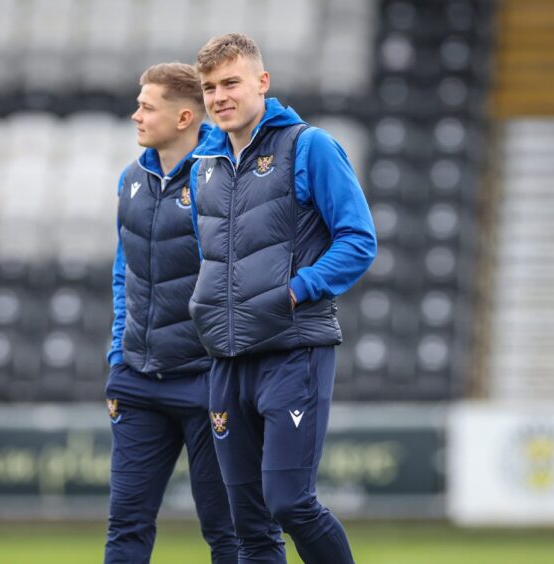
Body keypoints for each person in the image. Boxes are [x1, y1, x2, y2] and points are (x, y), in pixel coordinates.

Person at [188, 34, 377, 564]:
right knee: (248, 524)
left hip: (292, 350)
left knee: (290, 502)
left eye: (230, 83)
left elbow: (359, 239)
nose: (219, 96)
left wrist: (296, 291)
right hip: (226, 359)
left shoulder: (308, 146)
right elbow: (211, 259)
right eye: (209, 88)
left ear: (262, 83)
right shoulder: (205, 163)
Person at [105, 62, 237, 564]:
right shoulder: (130, 177)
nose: (135, 114)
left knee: (226, 529)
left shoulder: (222, 174)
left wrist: (225, 359)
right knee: (126, 525)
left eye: (147, 105)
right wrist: (119, 353)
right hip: (138, 380)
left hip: (207, 379)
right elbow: (124, 273)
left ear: (185, 117)